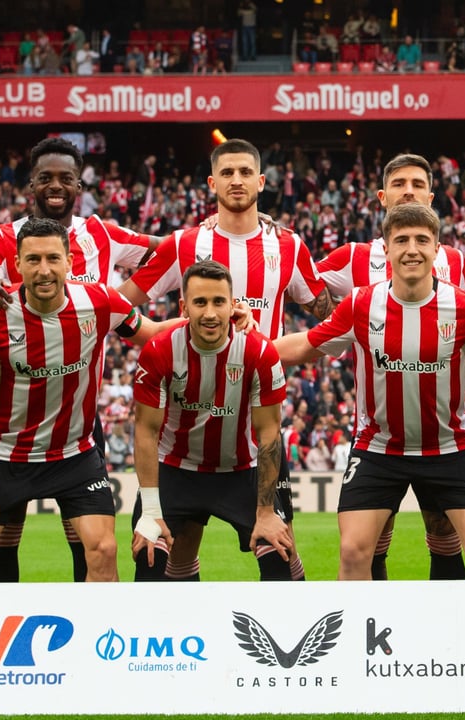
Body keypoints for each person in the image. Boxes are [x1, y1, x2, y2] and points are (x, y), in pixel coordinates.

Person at [0, 218, 179, 707]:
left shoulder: (99, 301)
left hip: (74, 455)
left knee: (103, 550)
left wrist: (213, 319)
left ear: (70, 262)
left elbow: (153, 332)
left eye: (53, 258)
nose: (44, 269)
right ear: (17, 265)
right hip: (4, 456)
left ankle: (95, 669)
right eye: (33, 259)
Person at [274, 203, 465, 580]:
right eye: (401, 240)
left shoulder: (463, 307)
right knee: (352, 551)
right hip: (379, 449)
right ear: (386, 249)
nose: (411, 249)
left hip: (451, 449)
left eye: (421, 240)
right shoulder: (361, 304)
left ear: (436, 249)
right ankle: (358, 621)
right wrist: (245, 348)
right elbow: (303, 346)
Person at [120, 138, 331, 583]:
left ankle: (292, 627)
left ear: (262, 181)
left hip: (253, 430)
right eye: (227, 173)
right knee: (173, 551)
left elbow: (330, 322)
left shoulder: (288, 246)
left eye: (245, 172)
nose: (237, 180)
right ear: (212, 183)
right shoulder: (184, 244)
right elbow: (118, 307)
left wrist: (266, 349)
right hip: (184, 430)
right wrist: (168, 332)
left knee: (282, 548)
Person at [0, 137, 160, 586]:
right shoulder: (2, 238)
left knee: (88, 540)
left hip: (77, 420)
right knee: (4, 535)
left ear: (79, 185)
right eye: (45, 178)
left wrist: (228, 225)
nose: (55, 186)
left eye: (65, 178)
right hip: (13, 423)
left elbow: (172, 250)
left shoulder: (102, 234)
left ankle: (85, 628)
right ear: (31, 184)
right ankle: (4, 629)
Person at [317, 153, 465, 580]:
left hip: (442, 433)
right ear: (382, 197)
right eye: (399, 184)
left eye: (418, 184)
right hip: (378, 431)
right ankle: (375, 619)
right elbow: (295, 281)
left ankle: (448, 619)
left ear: (431, 197)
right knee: (373, 534)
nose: (408, 191)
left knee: (443, 527)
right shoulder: (354, 257)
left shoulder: (454, 260)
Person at [132, 260, 292, 581]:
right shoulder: (159, 351)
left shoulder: (259, 351)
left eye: (218, 302)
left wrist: (265, 512)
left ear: (232, 305)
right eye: (200, 302)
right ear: (183, 307)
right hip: (175, 471)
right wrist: (150, 511)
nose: (210, 313)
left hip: (241, 470)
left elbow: (269, 433)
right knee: (149, 554)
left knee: (279, 552)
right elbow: (146, 432)